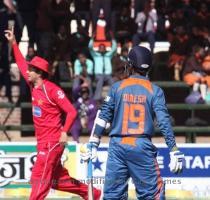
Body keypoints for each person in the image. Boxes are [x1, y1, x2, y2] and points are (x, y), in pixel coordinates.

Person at [4, 28, 101, 200]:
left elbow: (71, 111)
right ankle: (94, 194)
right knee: (58, 180)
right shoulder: (33, 85)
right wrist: (13, 43)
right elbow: (20, 63)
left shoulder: (52, 90)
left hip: (52, 142)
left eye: (31, 69)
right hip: (43, 141)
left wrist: (64, 132)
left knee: (39, 178)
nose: (27, 71)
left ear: (39, 73)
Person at [81, 46, 185, 199]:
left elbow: (103, 116)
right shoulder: (155, 91)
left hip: (117, 147)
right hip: (141, 147)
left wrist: (94, 143)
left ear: (129, 65)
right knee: (152, 195)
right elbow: (163, 122)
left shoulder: (117, 87)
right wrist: (173, 148)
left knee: (113, 196)